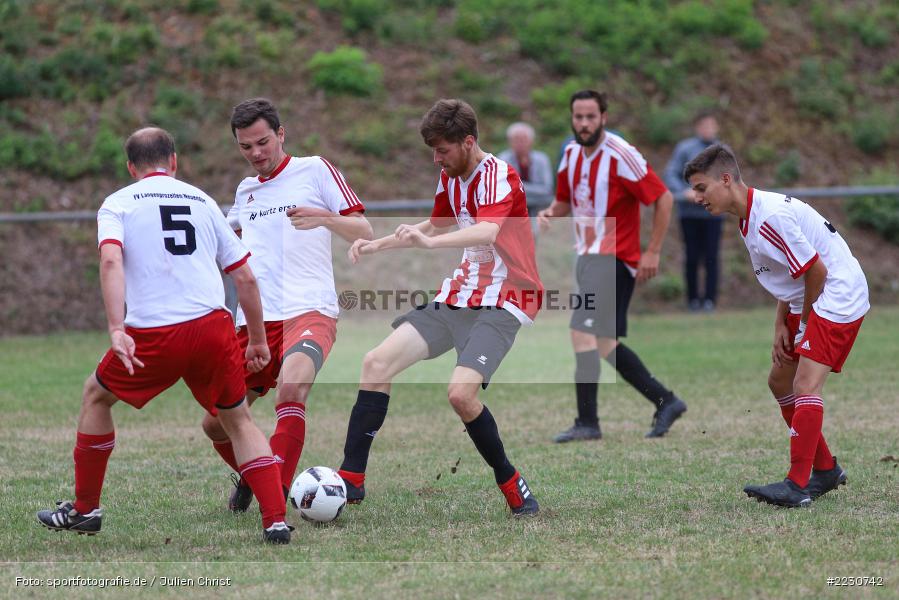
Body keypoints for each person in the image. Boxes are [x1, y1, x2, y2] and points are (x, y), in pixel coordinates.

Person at [36, 127, 292, 544]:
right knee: (238, 418)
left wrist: (117, 327)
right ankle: (276, 520)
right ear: (174, 162)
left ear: (130, 167)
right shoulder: (203, 200)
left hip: (155, 332)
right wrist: (259, 340)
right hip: (214, 328)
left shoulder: (117, 203)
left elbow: (110, 261)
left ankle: (85, 509)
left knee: (96, 396)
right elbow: (244, 276)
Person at [335, 99, 543, 516]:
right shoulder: (450, 176)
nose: (436, 159)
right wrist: (380, 244)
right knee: (375, 363)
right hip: (459, 294)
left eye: (443, 150)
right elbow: (434, 225)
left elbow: (487, 228)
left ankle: (510, 480)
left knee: (461, 395)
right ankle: (350, 481)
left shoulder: (499, 176)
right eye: (432, 150)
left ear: (468, 142)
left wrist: (429, 243)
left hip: (505, 299)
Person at [201, 98, 373, 512]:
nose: (256, 153)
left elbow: (363, 229)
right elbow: (225, 244)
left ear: (281, 134)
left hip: (309, 310)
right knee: (215, 423)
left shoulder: (316, 169)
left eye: (263, 142)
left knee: (291, 390)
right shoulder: (246, 191)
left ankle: (274, 499)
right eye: (246, 147)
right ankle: (253, 474)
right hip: (256, 324)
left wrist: (324, 217)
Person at [685, 144, 868, 507]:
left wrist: (803, 321)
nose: (696, 197)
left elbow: (816, 270)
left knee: (805, 383)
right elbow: (792, 272)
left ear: (725, 179)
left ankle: (798, 484)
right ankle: (826, 469)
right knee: (780, 380)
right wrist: (780, 324)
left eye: (701, 188)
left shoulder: (768, 217)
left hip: (837, 292)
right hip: (814, 294)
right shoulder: (747, 216)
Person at [537, 89, 687, 442]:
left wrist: (652, 252)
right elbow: (563, 202)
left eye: (591, 117)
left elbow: (663, 198)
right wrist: (548, 214)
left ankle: (588, 422)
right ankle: (666, 401)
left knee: (582, 332)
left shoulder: (621, 154)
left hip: (615, 257)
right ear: (572, 119)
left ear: (604, 117)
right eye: (578, 117)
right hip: (588, 256)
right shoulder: (570, 154)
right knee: (603, 342)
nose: (584, 123)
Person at [663, 111, 723, 312]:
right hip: (689, 213)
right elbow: (671, 174)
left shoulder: (721, 150)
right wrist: (684, 192)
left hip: (713, 213)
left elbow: (729, 177)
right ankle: (692, 301)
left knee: (712, 257)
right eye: (704, 125)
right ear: (698, 127)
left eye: (711, 125)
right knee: (691, 257)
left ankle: (710, 301)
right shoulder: (685, 149)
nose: (708, 129)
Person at [498, 122, 554, 207]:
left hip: (539, 205)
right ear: (510, 142)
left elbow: (547, 189)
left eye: (524, 139)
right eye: (516, 139)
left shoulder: (542, 159)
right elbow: (502, 188)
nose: (520, 143)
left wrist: (518, 186)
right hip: (513, 206)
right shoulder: (503, 159)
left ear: (531, 141)